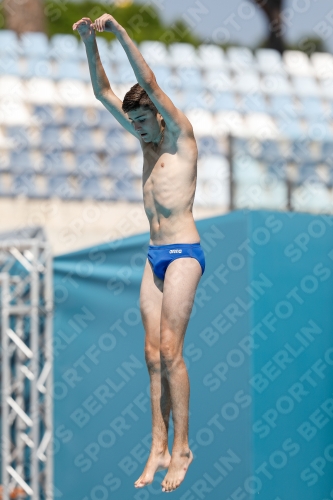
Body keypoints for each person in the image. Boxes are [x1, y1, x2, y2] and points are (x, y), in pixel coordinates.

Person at [73, 14, 206, 493]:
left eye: (144, 122)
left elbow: (145, 80)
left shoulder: (180, 135)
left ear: (158, 114)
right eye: (136, 126)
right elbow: (102, 93)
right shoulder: (145, 142)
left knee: (172, 350)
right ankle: (157, 445)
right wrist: (91, 43)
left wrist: (119, 33)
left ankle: (184, 447)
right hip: (153, 256)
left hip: (185, 253)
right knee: (151, 355)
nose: (141, 132)